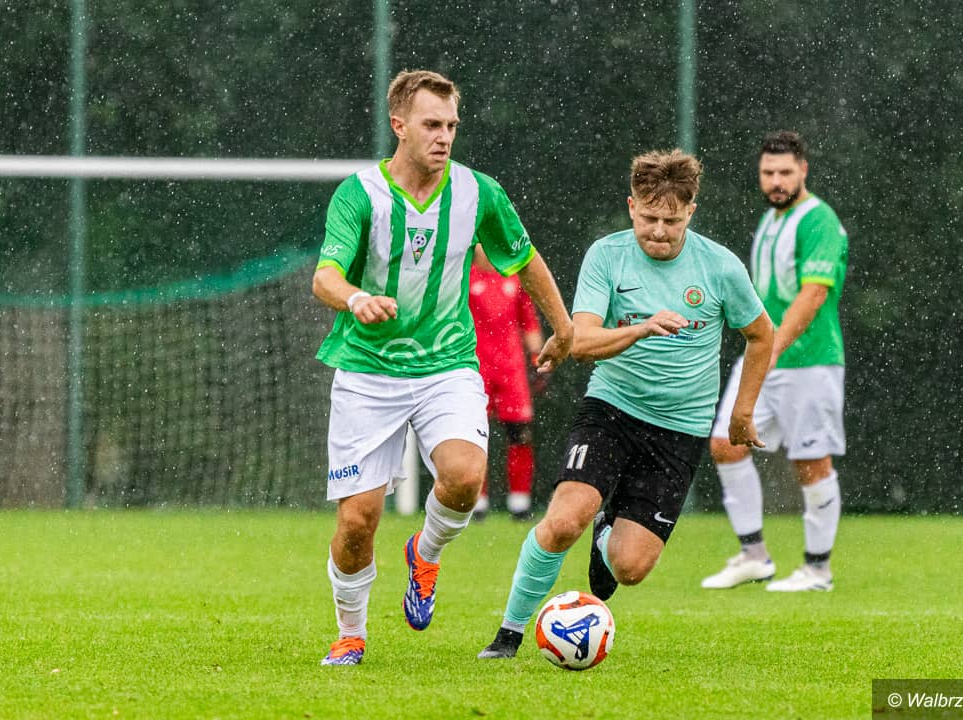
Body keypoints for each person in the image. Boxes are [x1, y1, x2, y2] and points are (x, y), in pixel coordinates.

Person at [311, 69, 573, 666]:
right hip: (367, 370)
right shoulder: (359, 194)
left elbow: (525, 259)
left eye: (452, 125)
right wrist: (356, 297)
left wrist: (563, 326)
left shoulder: (479, 192)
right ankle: (351, 633)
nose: (445, 136)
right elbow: (325, 276)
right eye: (432, 124)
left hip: (447, 365)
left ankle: (424, 556)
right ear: (399, 126)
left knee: (463, 475)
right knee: (358, 521)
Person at [477, 149, 774, 659]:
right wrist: (641, 328)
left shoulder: (721, 267)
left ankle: (606, 533)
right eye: (649, 218)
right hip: (610, 411)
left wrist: (742, 412)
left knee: (630, 568)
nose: (659, 231)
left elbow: (761, 334)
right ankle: (509, 633)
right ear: (632, 206)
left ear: (691, 212)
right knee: (564, 520)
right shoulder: (608, 255)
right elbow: (580, 342)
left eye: (672, 222)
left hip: (680, 429)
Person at [700, 130, 848, 593]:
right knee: (725, 443)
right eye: (768, 172)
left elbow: (814, 293)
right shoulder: (770, 219)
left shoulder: (818, 219)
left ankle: (817, 570)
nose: (776, 181)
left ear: (803, 170)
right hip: (766, 358)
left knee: (811, 461)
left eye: (785, 172)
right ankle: (754, 556)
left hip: (811, 361)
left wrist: (774, 347)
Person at [469, 245, 546, 521]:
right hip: (476, 368)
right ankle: (476, 501)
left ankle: (519, 502)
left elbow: (529, 323)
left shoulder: (514, 278)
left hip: (511, 370)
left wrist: (538, 359)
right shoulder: (466, 278)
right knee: (474, 434)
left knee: (520, 434)